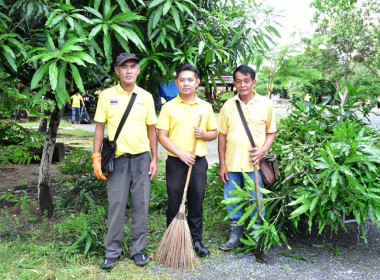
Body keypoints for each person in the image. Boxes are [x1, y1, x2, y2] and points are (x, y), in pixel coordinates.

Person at [92, 52, 158, 269]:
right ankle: (112, 251)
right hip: (117, 159)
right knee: (117, 205)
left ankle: (138, 250)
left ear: (138, 70)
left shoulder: (146, 97)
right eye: (124, 67)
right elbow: (100, 127)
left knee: (141, 205)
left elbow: (152, 129)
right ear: (117, 71)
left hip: (141, 158)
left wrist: (155, 159)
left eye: (133, 66)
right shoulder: (106, 95)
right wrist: (96, 155)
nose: (129, 70)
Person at [157, 64, 217, 257]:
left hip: (198, 162)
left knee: (196, 200)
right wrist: (180, 153)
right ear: (177, 83)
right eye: (182, 80)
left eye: (190, 80)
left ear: (197, 82)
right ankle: (173, 240)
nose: (186, 83)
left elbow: (214, 133)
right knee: (174, 201)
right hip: (176, 162)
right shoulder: (168, 107)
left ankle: (196, 240)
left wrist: (204, 134)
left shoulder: (206, 107)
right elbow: (162, 136)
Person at [218, 65, 276, 251]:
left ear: (254, 82)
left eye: (246, 80)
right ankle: (235, 236)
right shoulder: (228, 105)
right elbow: (222, 136)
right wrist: (222, 164)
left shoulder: (265, 104)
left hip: (255, 164)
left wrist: (263, 151)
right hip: (232, 163)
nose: (242, 85)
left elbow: (271, 132)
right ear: (234, 83)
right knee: (233, 200)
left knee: (256, 200)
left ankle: (257, 238)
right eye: (238, 81)